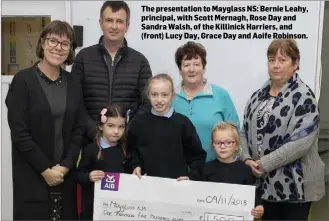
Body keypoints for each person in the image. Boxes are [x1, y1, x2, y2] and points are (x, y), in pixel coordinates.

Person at [240, 39, 325, 220]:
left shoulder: (305, 97)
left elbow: (300, 143)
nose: (276, 65)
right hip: (264, 185)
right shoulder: (257, 96)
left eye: (282, 60)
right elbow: (243, 131)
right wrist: (247, 159)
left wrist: (264, 164)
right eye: (272, 60)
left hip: (295, 188)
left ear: (296, 64)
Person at [5, 20, 83, 220]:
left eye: (65, 44)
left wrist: (65, 166)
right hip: (32, 175)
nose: (58, 47)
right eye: (52, 41)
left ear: (70, 50)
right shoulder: (22, 81)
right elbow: (19, 133)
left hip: (65, 176)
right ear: (42, 43)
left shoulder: (73, 83)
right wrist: (45, 170)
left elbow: (78, 129)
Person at [71, 0, 152, 145]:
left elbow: (146, 103)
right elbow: (75, 101)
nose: (114, 26)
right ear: (101, 23)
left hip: (128, 144)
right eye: (109, 20)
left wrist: (124, 131)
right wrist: (95, 132)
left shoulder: (140, 61)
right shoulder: (82, 58)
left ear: (127, 26)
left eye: (119, 21)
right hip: (89, 143)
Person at [127, 73, 207, 181]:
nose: (159, 100)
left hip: (176, 187)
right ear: (148, 95)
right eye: (154, 94)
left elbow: (197, 155)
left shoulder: (183, 123)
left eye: (164, 95)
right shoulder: (138, 122)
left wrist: (192, 176)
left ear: (172, 96)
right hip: (146, 185)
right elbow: (131, 150)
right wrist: (135, 165)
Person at [171, 41, 240, 162]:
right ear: (179, 70)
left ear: (204, 67)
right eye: (186, 65)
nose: (191, 69)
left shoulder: (221, 95)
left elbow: (235, 132)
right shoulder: (170, 97)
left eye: (196, 64)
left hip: (215, 171)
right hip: (179, 172)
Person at [77, 104, 129, 220]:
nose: (116, 131)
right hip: (93, 210)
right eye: (111, 126)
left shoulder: (126, 150)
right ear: (101, 125)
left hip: (119, 210)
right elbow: (79, 174)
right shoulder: (90, 150)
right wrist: (89, 177)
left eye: (121, 127)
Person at [203, 122, 264, 220]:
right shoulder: (206, 168)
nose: (223, 146)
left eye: (228, 142)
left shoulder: (245, 169)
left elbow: (252, 195)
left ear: (236, 145)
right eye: (218, 142)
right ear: (212, 145)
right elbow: (197, 194)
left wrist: (259, 207)